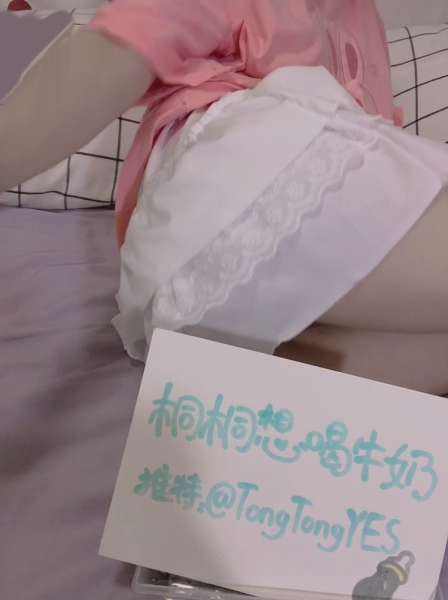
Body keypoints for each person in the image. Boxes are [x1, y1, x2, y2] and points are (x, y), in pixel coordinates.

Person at [1, 0, 448, 395]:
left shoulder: (360, 20)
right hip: (240, 188)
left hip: (205, 294)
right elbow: (100, 64)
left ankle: (240, 392)